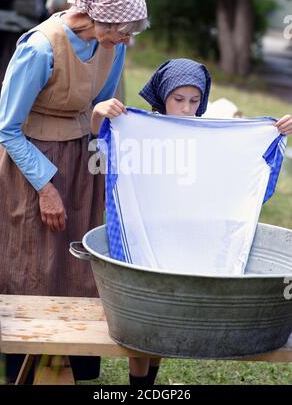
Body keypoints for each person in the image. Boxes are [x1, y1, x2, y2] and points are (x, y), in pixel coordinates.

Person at [90, 57, 292, 385]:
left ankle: (149, 384)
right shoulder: (138, 129)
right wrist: (101, 115)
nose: (186, 109)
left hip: (186, 239)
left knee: (169, 316)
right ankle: (139, 386)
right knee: (145, 315)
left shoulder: (206, 136)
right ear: (162, 96)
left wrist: (274, 134)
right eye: (178, 99)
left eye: (195, 101)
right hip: (146, 234)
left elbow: (234, 172)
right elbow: (102, 153)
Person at [0, 0, 148, 384]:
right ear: (101, 20)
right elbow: (7, 128)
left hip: (80, 165)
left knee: (74, 268)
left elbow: (101, 109)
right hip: (29, 166)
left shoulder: (113, 47)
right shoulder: (40, 47)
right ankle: (19, 370)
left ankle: (66, 369)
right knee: (26, 267)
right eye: (124, 31)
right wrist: (46, 187)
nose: (127, 40)